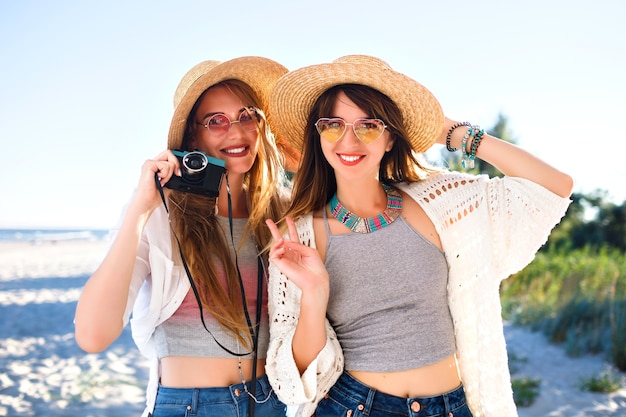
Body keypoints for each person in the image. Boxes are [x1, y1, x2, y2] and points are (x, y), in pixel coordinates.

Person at [263, 55, 574, 417]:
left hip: (452, 407)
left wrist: (451, 132)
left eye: (368, 126)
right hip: (354, 407)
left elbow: (554, 188)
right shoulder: (299, 235)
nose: (348, 140)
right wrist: (314, 294)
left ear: (391, 136)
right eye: (333, 125)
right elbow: (293, 378)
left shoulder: (441, 202)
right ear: (319, 136)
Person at [74, 56, 295, 417]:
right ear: (193, 136)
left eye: (247, 116)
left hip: (273, 402)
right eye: (216, 121)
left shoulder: (282, 213)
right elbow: (92, 335)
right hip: (190, 406)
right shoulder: (161, 215)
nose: (236, 132)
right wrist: (140, 209)